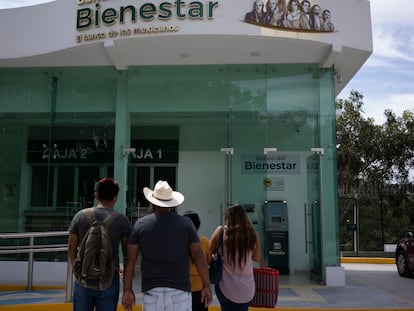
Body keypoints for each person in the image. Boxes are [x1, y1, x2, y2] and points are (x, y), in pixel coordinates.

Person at [122, 180, 213, 311]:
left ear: (152, 202)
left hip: (151, 290)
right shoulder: (186, 224)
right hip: (180, 290)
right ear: (172, 204)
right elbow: (198, 255)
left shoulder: (140, 225)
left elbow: (130, 260)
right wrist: (206, 286)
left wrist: (127, 290)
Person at [68, 177, 131, 311]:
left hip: (83, 280)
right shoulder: (122, 220)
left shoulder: (80, 216)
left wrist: (77, 270)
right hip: (109, 279)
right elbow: (127, 255)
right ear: (115, 197)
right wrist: (125, 276)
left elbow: (71, 250)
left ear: (96, 195)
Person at [208, 204, 263, 311]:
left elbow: (208, 255)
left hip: (225, 288)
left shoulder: (221, 232)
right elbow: (257, 257)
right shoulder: (252, 234)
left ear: (228, 217)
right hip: (247, 289)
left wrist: (217, 257)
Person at [184, 211, 211, 311]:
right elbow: (209, 260)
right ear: (198, 226)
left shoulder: (179, 243)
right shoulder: (204, 241)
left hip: (183, 287)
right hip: (200, 286)